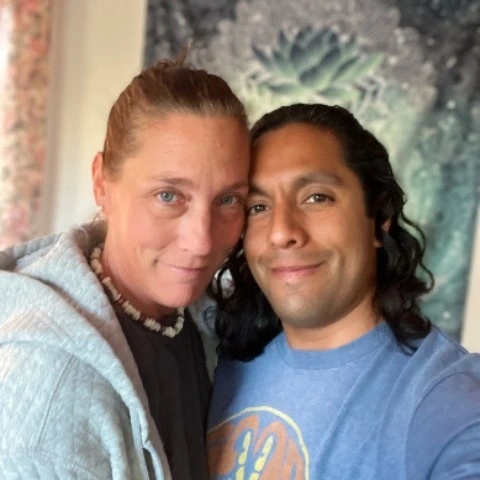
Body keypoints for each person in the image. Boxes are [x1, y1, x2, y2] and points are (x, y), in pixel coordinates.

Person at [0, 57, 250, 479]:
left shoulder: (199, 320)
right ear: (103, 184)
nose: (202, 242)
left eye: (228, 200)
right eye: (168, 196)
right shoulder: (51, 401)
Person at [207, 103, 480, 479]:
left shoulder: (446, 402)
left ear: (379, 220)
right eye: (258, 206)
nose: (281, 232)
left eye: (316, 197)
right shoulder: (219, 362)